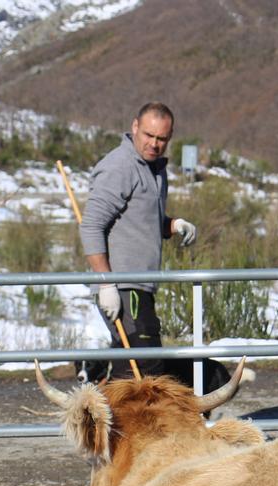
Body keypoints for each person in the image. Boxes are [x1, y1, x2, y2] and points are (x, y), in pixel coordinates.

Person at [78, 101, 196, 380]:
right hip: (122, 287)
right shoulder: (119, 167)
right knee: (142, 366)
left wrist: (172, 225)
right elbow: (91, 225)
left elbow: (142, 220)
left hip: (141, 286)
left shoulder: (154, 168)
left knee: (133, 364)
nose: (154, 144)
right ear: (134, 127)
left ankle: (113, 423)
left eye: (162, 139)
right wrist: (106, 283)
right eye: (148, 135)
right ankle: (119, 423)